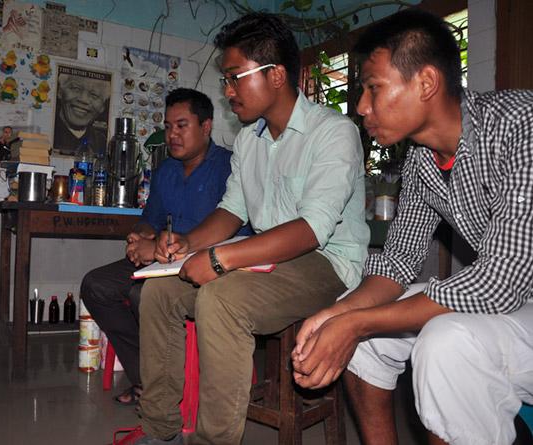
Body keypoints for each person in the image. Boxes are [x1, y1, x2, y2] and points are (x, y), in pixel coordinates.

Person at [291, 9, 533, 445]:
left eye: (373, 88)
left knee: (444, 343)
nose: (361, 107)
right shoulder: (423, 160)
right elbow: (398, 261)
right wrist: (336, 316)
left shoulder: (520, 126)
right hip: (515, 302)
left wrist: (359, 323)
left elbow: (499, 280)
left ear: (425, 84)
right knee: (364, 335)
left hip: (519, 295)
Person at [127, 12, 368, 445]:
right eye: (226, 79)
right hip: (265, 259)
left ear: (275, 75)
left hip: (324, 264)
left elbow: (312, 230)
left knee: (222, 297)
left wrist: (219, 259)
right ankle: (161, 431)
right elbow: (231, 212)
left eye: (235, 77)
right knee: (160, 291)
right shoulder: (248, 141)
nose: (227, 90)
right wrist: (187, 243)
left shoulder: (334, 132)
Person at [80, 88, 250, 406]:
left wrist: (168, 247)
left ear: (206, 126)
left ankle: (168, 382)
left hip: (212, 265)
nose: (172, 134)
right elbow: (151, 218)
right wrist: (140, 238)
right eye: (168, 126)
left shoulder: (230, 168)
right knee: (96, 285)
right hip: (163, 260)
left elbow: (236, 228)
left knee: (141, 294)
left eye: (181, 125)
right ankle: (150, 378)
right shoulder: (166, 171)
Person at [53, 69, 110, 155]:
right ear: (60, 92)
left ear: (102, 107)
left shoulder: (101, 141)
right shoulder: (46, 133)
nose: (83, 100)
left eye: (94, 95)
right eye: (76, 88)